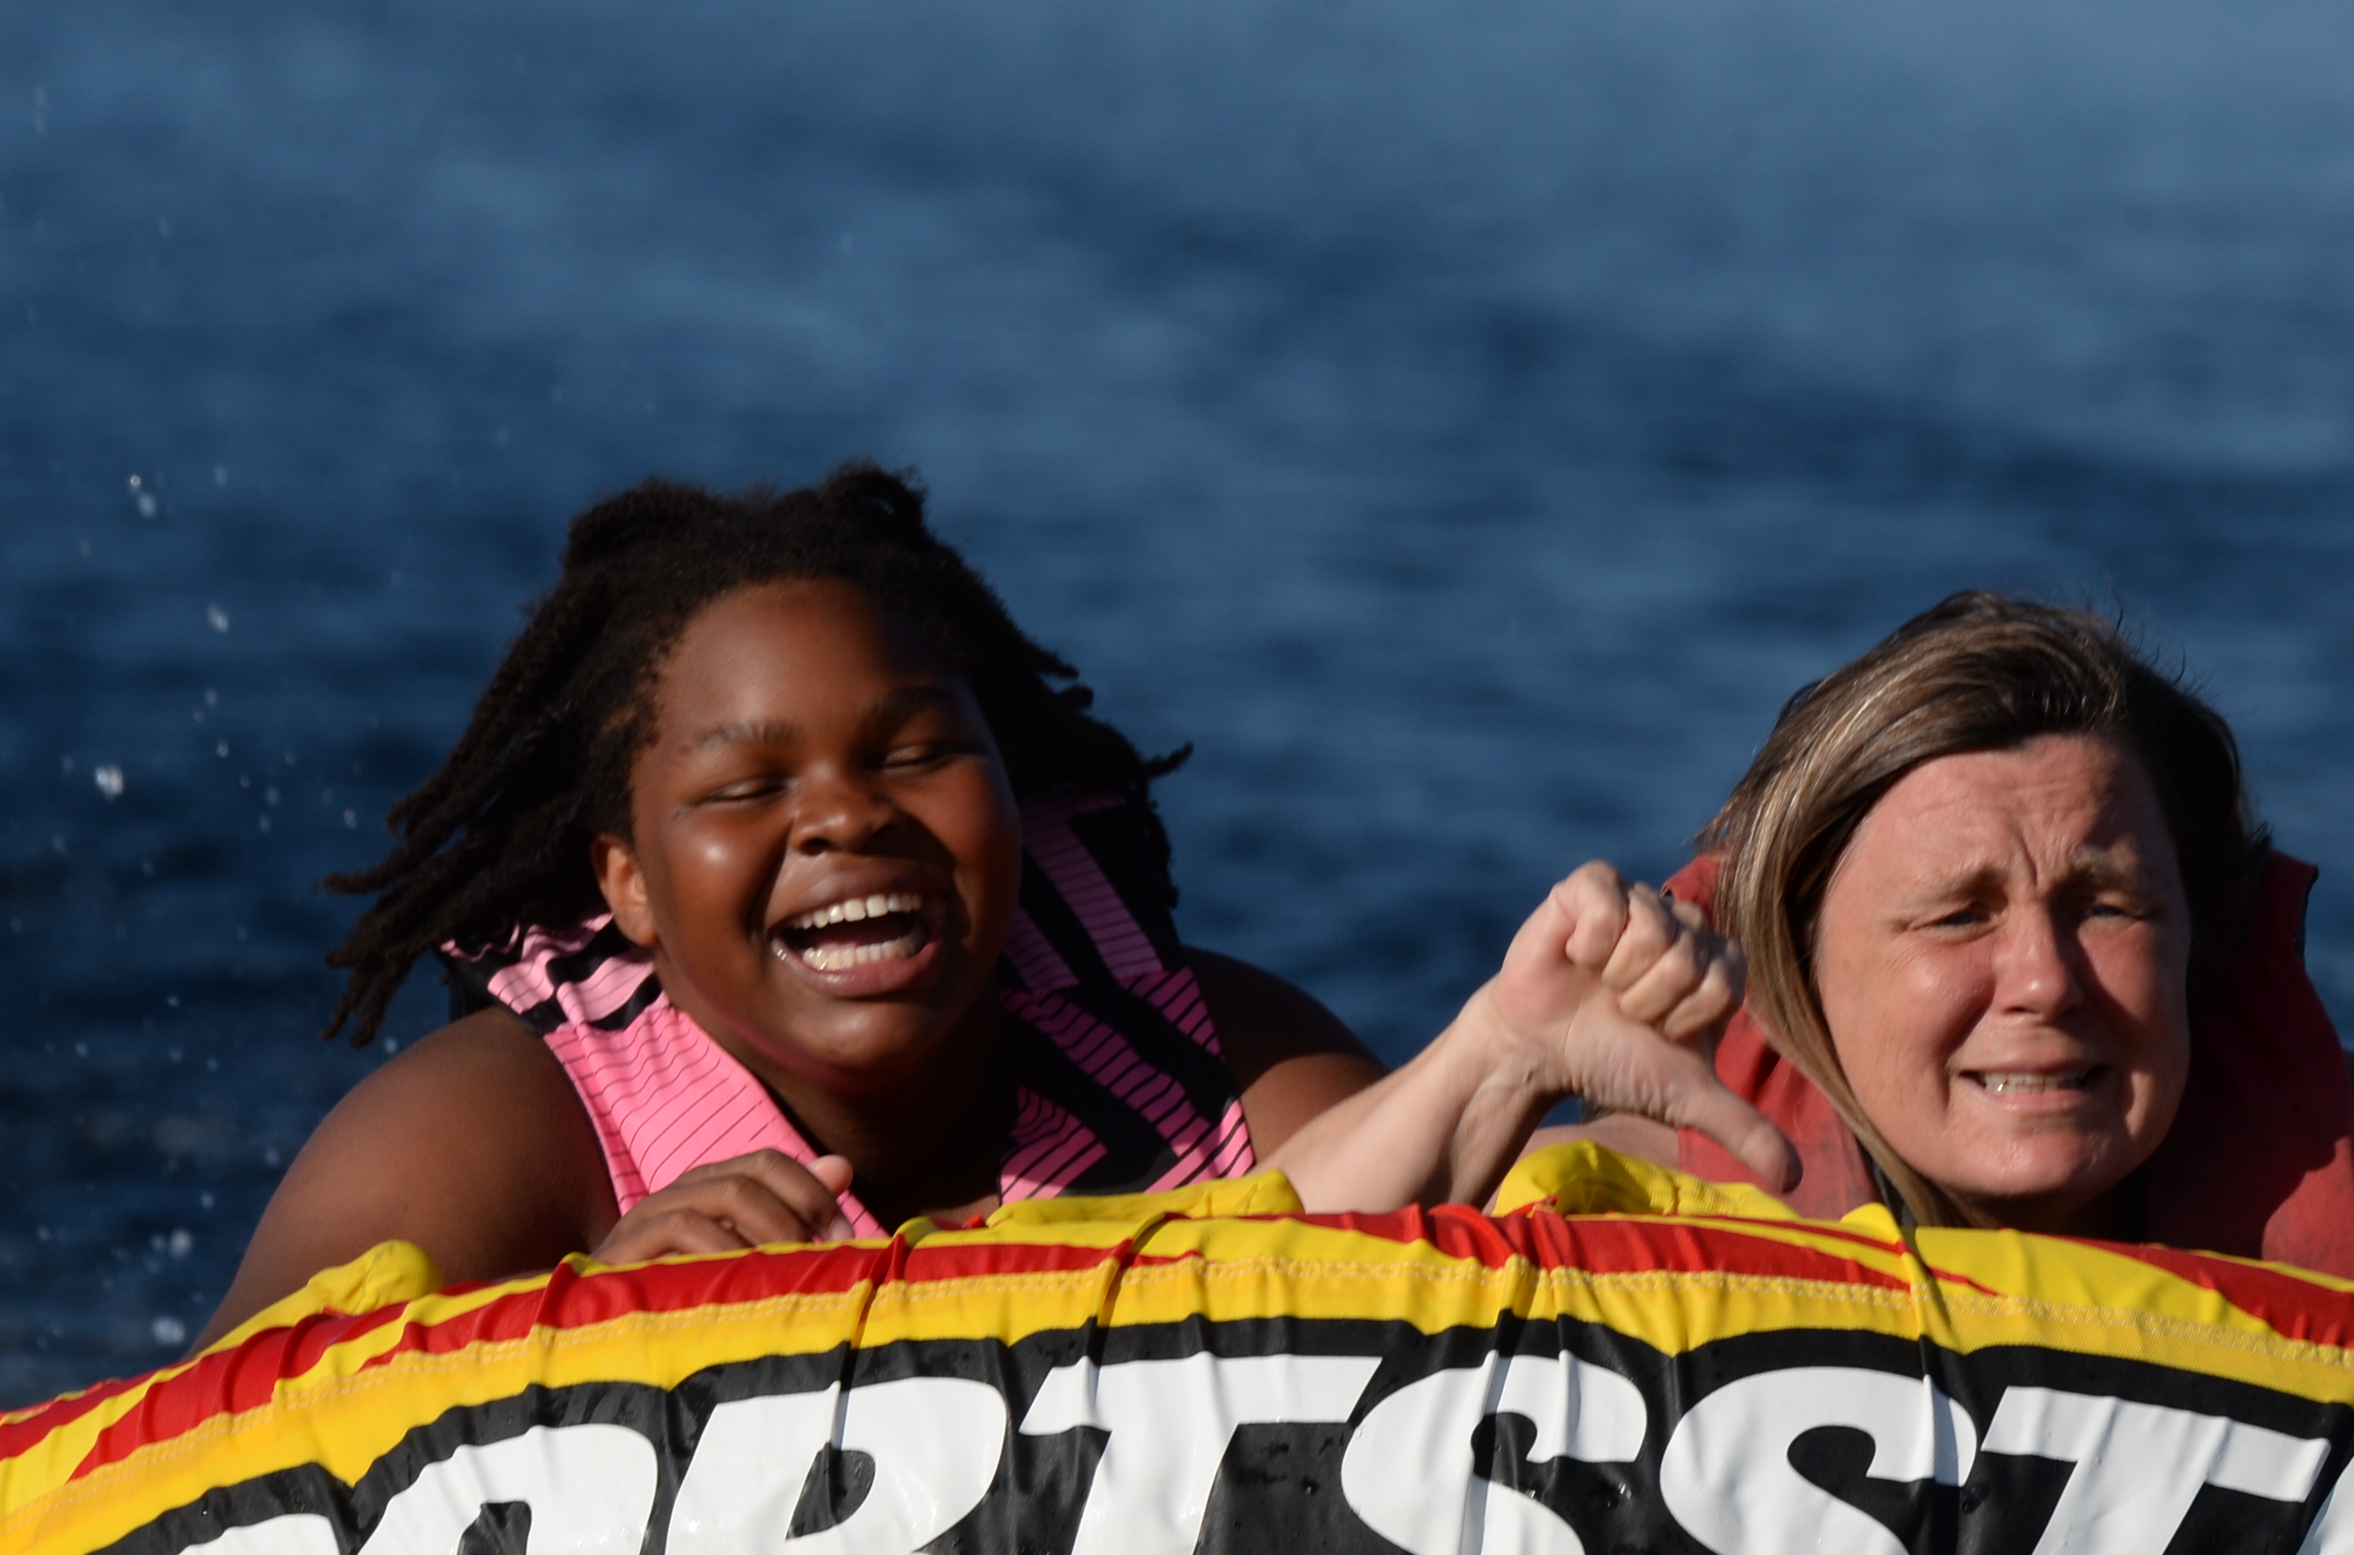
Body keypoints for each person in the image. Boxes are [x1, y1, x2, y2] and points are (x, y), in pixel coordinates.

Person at [194, 466, 1786, 1343]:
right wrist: (566, 1342)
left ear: (1015, 793)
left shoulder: (1210, 1057)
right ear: (627, 881)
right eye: (748, 788)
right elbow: (201, 1462)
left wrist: (1514, 1060)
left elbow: (1394, 1282)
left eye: (914, 755)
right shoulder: (505, 1125)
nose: (846, 817)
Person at [1598, 590, 2354, 1354]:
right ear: (1800, 969)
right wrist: (1509, 1067)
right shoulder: (1645, 1203)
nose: (2043, 982)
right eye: (1957, 917)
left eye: (2106, 907)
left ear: (2195, 938)